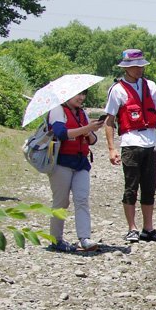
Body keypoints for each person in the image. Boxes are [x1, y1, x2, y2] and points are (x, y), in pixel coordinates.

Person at [104, 49, 156, 243]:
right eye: (134, 66)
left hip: (150, 143)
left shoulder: (150, 86)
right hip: (130, 144)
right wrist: (111, 148)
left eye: (141, 66)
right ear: (126, 68)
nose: (139, 70)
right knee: (131, 187)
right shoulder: (117, 90)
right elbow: (110, 121)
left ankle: (147, 229)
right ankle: (132, 228)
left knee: (149, 187)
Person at [46, 91, 105, 252]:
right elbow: (61, 133)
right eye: (78, 95)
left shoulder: (82, 113)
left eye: (84, 94)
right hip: (61, 162)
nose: (81, 98)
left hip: (81, 162)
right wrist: (86, 128)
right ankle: (56, 240)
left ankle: (84, 238)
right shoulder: (57, 110)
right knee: (61, 202)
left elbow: (93, 140)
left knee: (82, 199)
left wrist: (89, 131)